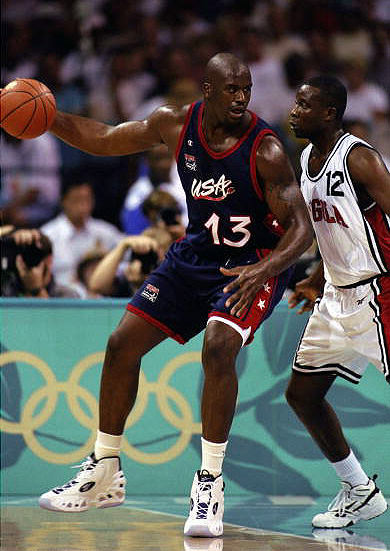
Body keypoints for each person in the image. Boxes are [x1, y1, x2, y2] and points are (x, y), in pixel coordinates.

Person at [12, 53, 313, 537]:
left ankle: (210, 483)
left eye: (247, 88)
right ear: (207, 90)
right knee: (120, 344)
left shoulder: (266, 150)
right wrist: (51, 118)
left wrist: (265, 269)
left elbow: (303, 231)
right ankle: (105, 470)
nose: (240, 98)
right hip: (195, 256)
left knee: (218, 346)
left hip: (252, 263)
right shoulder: (175, 124)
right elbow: (106, 139)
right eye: (230, 89)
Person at [285, 75, 389, 529]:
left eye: (303, 105)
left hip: (378, 290)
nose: (293, 111)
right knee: (302, 395)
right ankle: (359, 490)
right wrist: (314, 277)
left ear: (329, 113)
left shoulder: (359, 158)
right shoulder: (307, 156)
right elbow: (332, 232)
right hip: (335, 296)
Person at [41, 181, 124, 288]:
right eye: (77, 200)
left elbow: (126, 262)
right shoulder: (47, 235)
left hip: (99, 299)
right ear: (63, 201)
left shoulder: (107, 232)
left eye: (87, 200)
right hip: (59, 299)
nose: (83, 206)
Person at [1, 227, 80, 298]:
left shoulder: (68, 296)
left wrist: (36, 290)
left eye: (34, 256)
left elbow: (51, 314)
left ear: (49, 260)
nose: (26, 262)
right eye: (24, 257)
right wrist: (9, 236)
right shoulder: (5, 292)